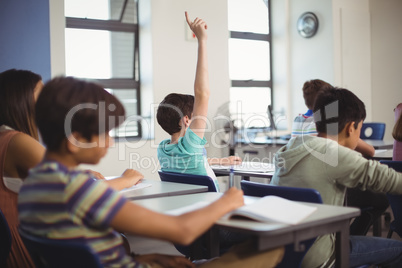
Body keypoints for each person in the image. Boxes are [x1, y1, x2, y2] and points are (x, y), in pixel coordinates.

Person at [18, 74, 284, 268]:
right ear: (75, 139)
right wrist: (227, 200)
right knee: (274, 244)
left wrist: (140, 259)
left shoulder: (35, 185)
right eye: (104, 133)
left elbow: (79, 253)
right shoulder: (79, 189)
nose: (110, 142)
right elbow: (182, 231)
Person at [0, 69, 141, 267]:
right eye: (42, 93)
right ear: (19, 99)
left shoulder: (5, 136)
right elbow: (82, 192)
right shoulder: (18, 141)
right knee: (120, 241)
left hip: (25, 236)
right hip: (26, 247)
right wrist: (126, 179)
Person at [271, 87, 402, 268]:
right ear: (351, 128)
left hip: (279, 252)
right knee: (399, 251)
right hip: (318, 257)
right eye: (360, 129)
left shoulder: (292, 146)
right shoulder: (334, 155)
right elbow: (389, 179)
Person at [156, 13, 240, 193]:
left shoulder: (163, 149)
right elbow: (202, 93)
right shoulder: (190, 145)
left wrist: (220, 161)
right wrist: (202, 40)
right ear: (187, 120)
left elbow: (194, 162)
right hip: (210, 205)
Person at [291, 79, 387, 236]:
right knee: (380, 198)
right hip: (326, 185)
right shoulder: (327, 126)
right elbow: (370, 151)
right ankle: (351, 237)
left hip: (303, 185)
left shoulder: (298, 120)